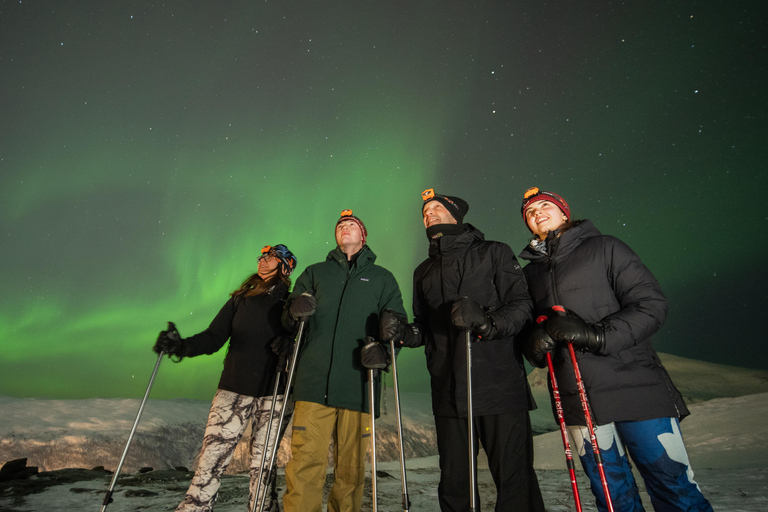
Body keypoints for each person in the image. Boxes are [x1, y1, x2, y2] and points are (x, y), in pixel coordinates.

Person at [519, 186, 713, 512]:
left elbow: (651, 305)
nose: (535, 212)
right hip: (578, 401)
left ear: (564, 212)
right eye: (528, 212)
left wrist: (596, 335)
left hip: (636, 390)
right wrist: (534, 345)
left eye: (543, 205)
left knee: (672, 485)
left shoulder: (605, 247)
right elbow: (526, 332)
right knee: (612, 497)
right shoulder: (528, 274)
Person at [379, 189, 545, 512]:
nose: (428, 213)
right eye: (425, 211)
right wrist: (403, 332)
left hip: (499, 387)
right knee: (455, 485)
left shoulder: (494, 253)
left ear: (456, 214)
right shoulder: (423, 272)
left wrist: (487, 322)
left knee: (514, 481)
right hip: (448, 392)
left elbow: (522, 305)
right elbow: (425, 329)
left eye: (436, 207)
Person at [278, 209, 407, 512]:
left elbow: (396, 325)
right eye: (340, 226)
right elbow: (288, 318)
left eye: (351, 225)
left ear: (363, 236)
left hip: (360, 384)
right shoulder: (315, 272)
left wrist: (386, 354)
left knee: (350, 469)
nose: (344, 228)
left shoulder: (383, 278)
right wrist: (293, 311)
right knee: (305, 463)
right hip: (313, 383)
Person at [153, 244, 298, 512]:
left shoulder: (293, 305)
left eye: (270, 257)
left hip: (275, 392)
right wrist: (180, 346)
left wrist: (292, 340)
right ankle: (195, 508)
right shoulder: (241, 299)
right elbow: (213, 337)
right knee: (211, 458)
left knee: (263, 465)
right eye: (261, 257)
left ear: (284, 266)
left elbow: (305, 342)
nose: (262, 261)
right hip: (234, 390)